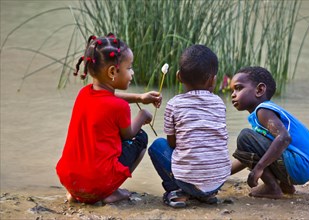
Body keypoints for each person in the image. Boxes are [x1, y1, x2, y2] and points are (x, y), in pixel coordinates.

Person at [56, 33, 161, 204]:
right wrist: (142, 116)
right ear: (112, 71)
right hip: (96, 183)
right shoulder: (119, 107)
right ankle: (108, 191)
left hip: (70, 180)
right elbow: (128, 134)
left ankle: (76, 194)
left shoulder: (84, 94)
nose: (132, 73)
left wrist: (140, 98)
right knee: (140, 138)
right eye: (129, 68)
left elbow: (109, 97)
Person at [148, 45, 231, 208]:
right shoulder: (219, 103)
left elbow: (172, 144)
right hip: (218, 181)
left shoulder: (174, 104)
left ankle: (178, 192)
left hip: (187, 181)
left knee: (157, 146)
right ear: (213, 80)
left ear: (178, 76)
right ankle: (207, 194)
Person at [230, 66, 309, 199]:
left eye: (239, 88)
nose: (233, 94)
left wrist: (258, 168)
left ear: (259, 90)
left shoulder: (263, 110)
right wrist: (222, 173)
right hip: (302, 168)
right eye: (232, 90)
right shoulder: (266, 113)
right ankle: (285, 185)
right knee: (251, 142)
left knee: (245, 137)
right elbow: (249, 155)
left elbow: (284, 138)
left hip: (298, 165)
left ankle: (272, 187)